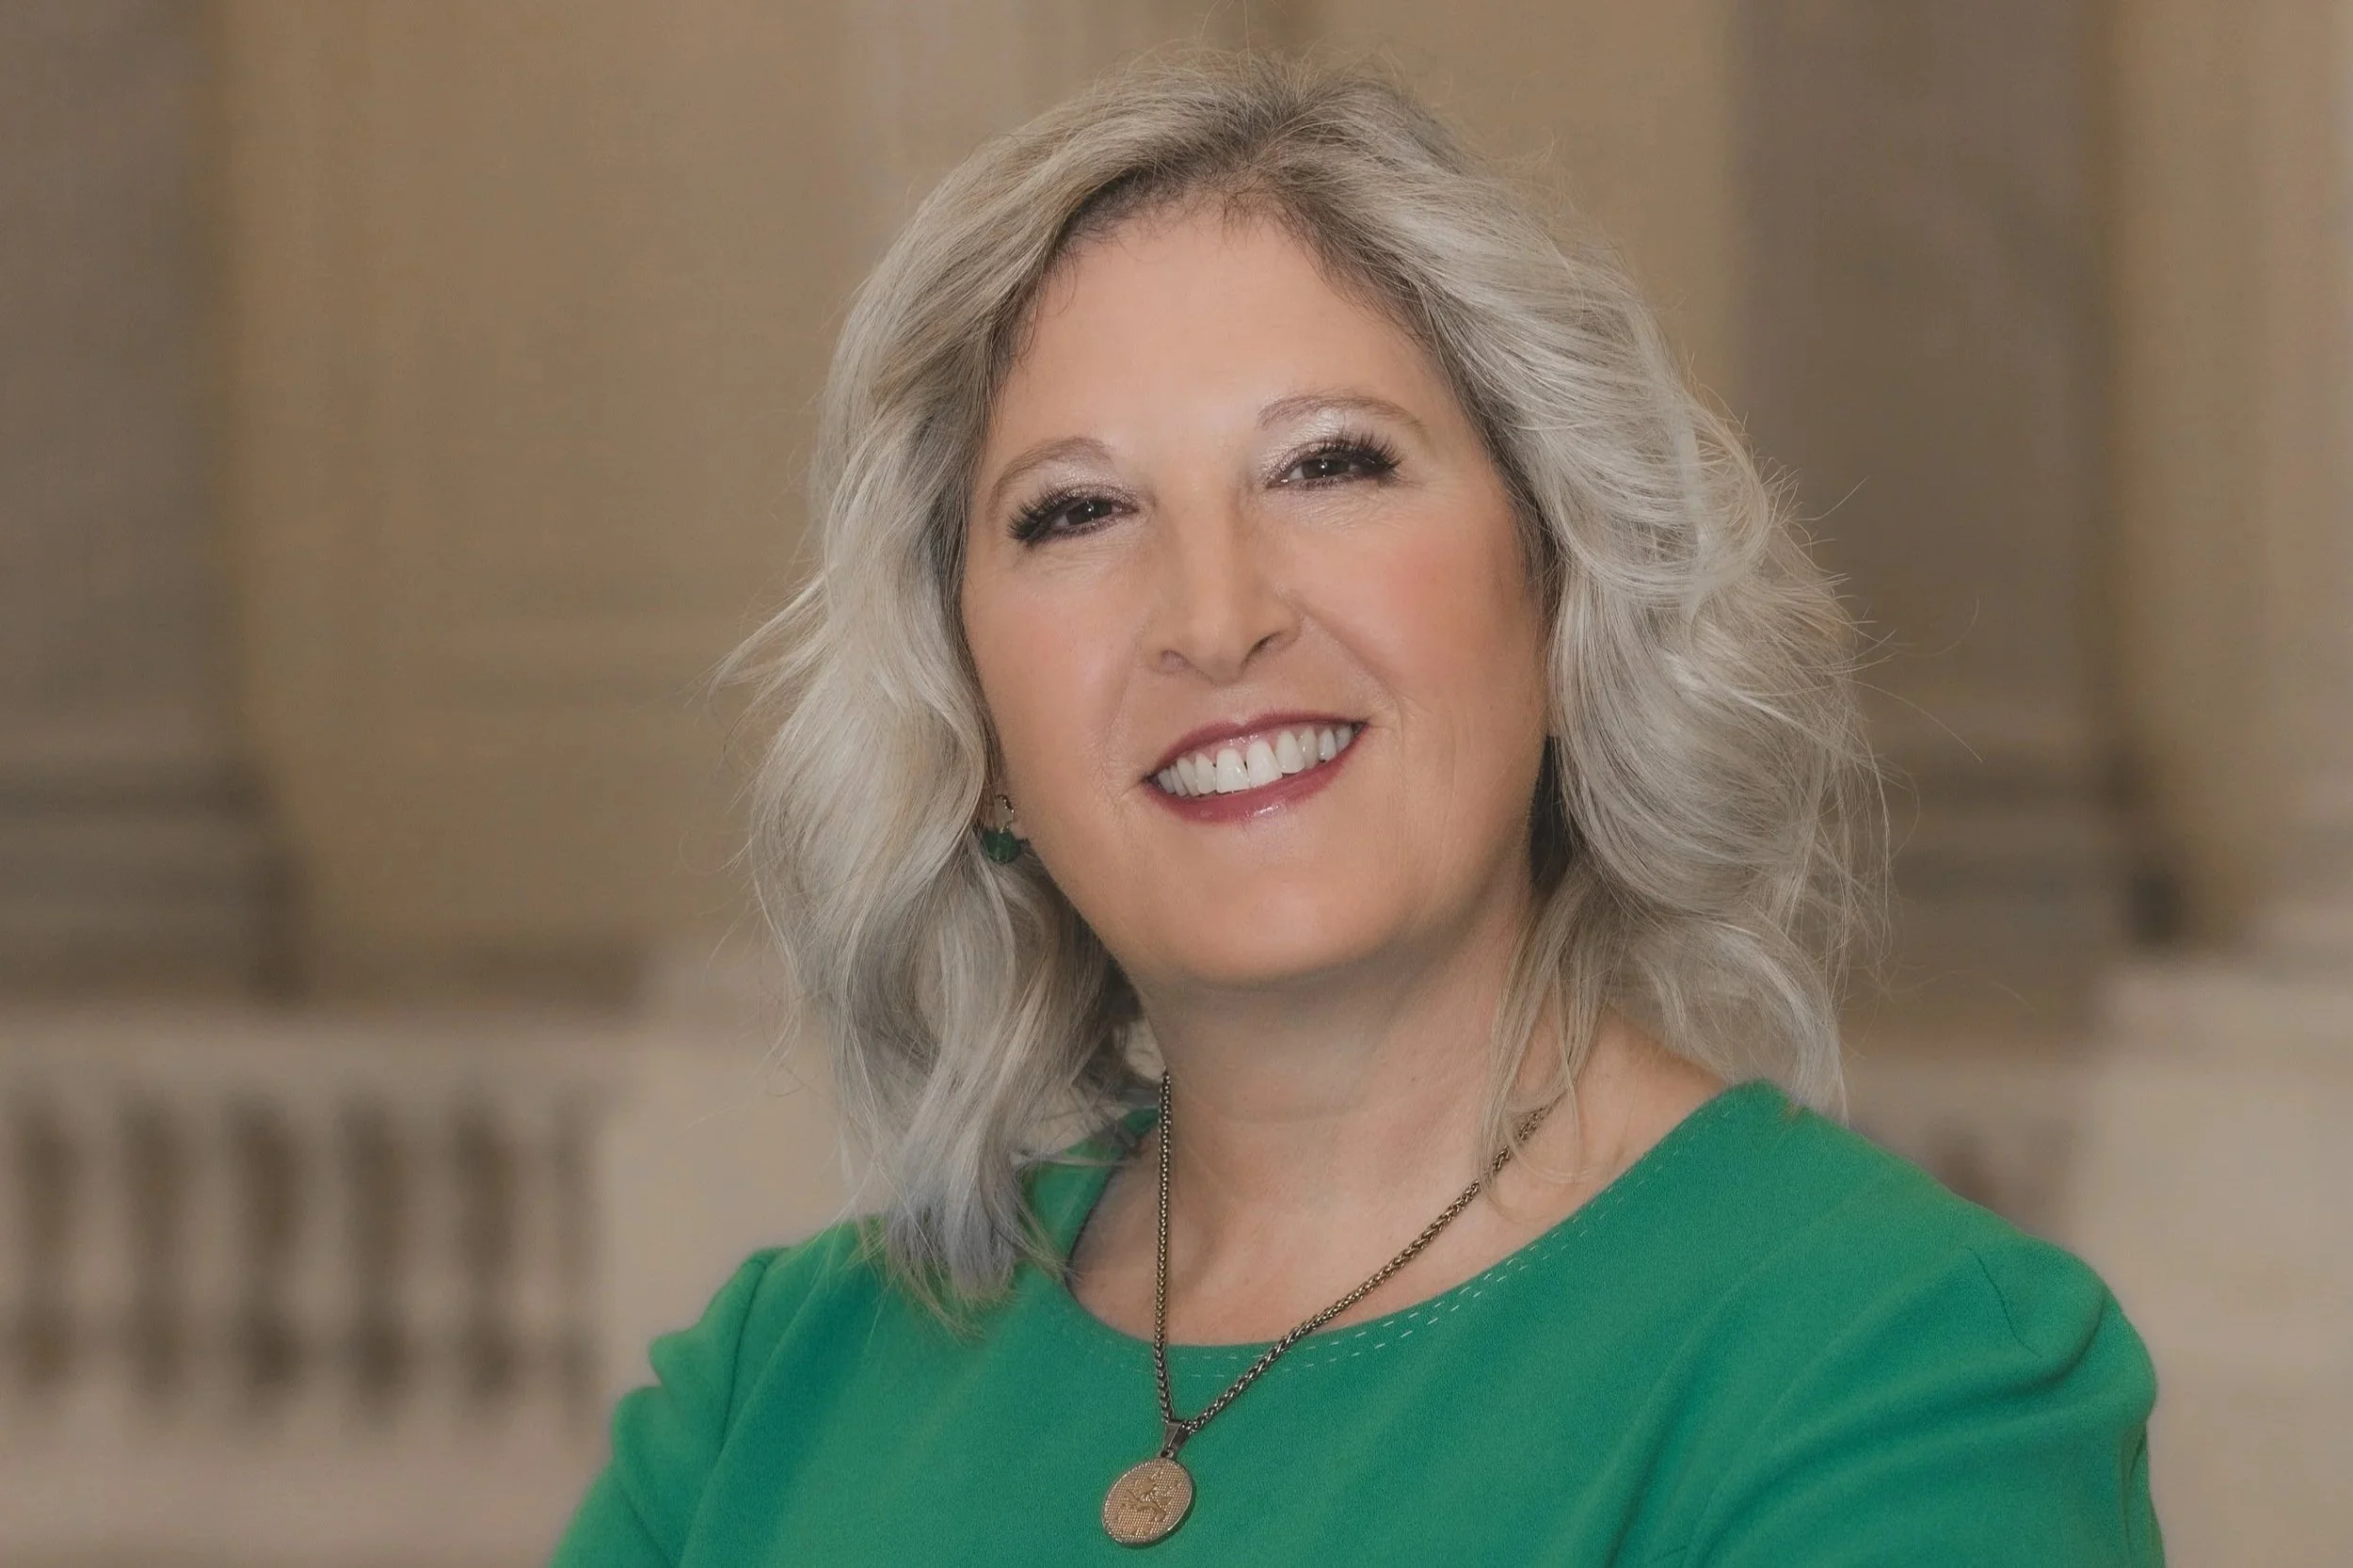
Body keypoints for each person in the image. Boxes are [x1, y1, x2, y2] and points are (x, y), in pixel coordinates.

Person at [553, 52, 2163, 1566]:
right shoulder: (770, 1383)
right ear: (970, 721)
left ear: (1560, 587)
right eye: (1078, 509)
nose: (1215, 611)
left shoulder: (1907, 1367)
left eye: (1329, 464)